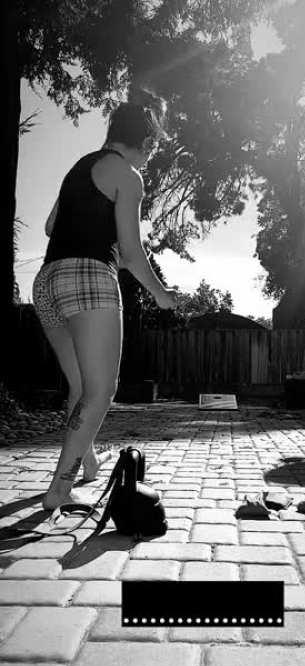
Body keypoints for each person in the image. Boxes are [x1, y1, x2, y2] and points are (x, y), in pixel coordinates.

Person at [32, 102, 178, 511]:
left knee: (81, 386)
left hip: (47, 281)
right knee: (101, 392)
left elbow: (50, 226)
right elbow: (130, 253)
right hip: (88, 279)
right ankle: (59, 490)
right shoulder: (128, 175)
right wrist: (161, 294)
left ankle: (89, 462)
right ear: (145, 141)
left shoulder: (81, 166)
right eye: (153, 147)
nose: (151, 156)